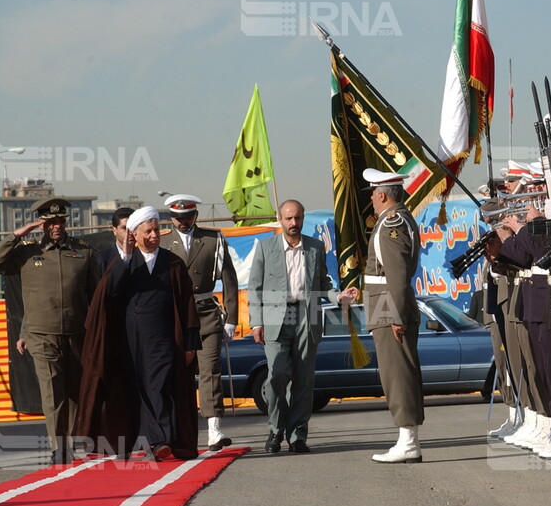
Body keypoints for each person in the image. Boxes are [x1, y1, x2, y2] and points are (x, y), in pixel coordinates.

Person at [77, 206, 200, 461]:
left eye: (156, 229)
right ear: (134, 234)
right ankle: (154, 442)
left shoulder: (173, 263)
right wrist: (127, 255)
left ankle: (161, 440)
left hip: (164, 339)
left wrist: (189, 344)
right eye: (149, 231)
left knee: (159, 386)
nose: (155, 235)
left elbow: (187, 305)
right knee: (139, 389)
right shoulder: (122, 261)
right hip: (129, 341)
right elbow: (109, 292)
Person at [0, 198, 98, 464]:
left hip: (75, 333)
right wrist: (16, 235)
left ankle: (69, 445)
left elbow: (94, 295)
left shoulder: (84, 252)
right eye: (51, 222)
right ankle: (56, 447)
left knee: (73, 392)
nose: (57, 226)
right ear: (42, 225)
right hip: (41, 334)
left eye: (61, 221)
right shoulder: (26, 253)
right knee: (52, 392)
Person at [247, 199, 358, 453]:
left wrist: (338, 297)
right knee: (277, 377)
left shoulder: (315, 248)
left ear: (303, 218)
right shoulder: (265, 248)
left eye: (297, 218)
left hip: (307, 318)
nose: (293, 223)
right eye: (288, 219)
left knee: (303, 381)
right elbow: (255, 288)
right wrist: (256, 322)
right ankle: (275, 431)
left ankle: (298, 436)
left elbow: (323, 283)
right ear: (280, 219)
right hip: (276, 321)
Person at [160, 194, 239, 452]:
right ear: (171, 217)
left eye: (187, 216)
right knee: (174, 374)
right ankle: (172, 431)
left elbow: (229, 279)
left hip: (206, 313)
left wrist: (231, 318)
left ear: (195, 215)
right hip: (175, 316)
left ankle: (214, 428)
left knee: (210, 371)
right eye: (177, 217)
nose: (182, 221)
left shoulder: (213, 240)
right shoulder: (162, 243)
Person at [362, 168, 425, 464]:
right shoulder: (397, 219)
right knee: (395, 373)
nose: (372, 198)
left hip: (388, 306)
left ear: (383, 194)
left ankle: (408, 441)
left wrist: (396, 315)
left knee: (398, 374)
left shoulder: (391, 223)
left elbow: (397, 274)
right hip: (385, 303)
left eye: (374, 193)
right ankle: (406, 438)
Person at [94, 207, 134, 274]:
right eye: (125, 228)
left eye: (133, 228)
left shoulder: (145, 256)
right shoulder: (101, 259)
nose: (130, 233)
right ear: (115, 230)